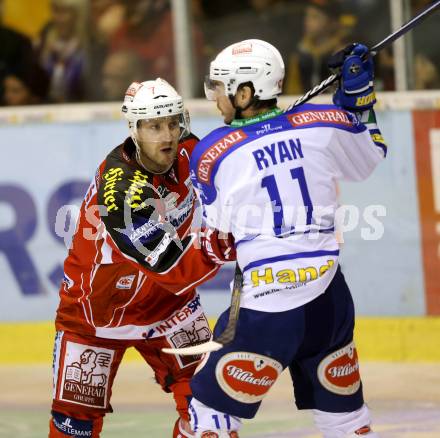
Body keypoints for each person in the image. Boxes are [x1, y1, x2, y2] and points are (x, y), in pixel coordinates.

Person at [186, 39, 386, 437]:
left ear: (245, 93)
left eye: (222, 89)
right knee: (344, 418)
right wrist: (358, 101)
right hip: (330, 302)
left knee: (209, 414)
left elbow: (216, 241)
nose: (216, 99)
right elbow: (371, 154)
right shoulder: (326, 123)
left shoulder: (211, 153)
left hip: (266, 310)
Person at [49, 78, 235, 437]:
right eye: (153, 126)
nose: (167, 135)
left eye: (172, 123)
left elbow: (237, 166)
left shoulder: (189, 152)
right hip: (96, 315)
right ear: (134, 129)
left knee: (210, 412)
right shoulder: (121, 192)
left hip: (169, 307)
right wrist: (230, 242)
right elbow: (174, 269)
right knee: (74, 428)